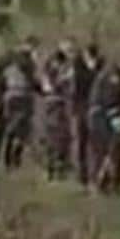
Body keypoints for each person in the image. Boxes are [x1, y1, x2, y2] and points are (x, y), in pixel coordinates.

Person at [87, 55, 120, 194]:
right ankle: (103, 182)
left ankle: (108, 182)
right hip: (101, 117)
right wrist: (115, 119)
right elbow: (109, 99)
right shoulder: (114, 78)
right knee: (108, 149)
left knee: (113, 149)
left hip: (104, 116)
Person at [41, 49, 74, 180]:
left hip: (56, 104)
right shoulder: (52, 74)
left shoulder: (51, 72)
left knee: (59, 136)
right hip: (55, 104)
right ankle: (53, 166)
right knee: (56, 135)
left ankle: (56, 166)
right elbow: (51, 87)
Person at [73, 43, 103, 184]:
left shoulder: (101, 67)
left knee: (96, 142)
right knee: (82, 141)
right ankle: (83, 175)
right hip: (82, 105)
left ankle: (96, 174)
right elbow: (78, 86)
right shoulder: (78, 67)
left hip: (96, 106)